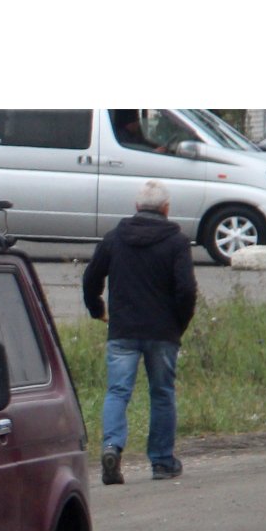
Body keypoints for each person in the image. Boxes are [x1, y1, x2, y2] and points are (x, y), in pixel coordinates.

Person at [82, 178, 198, 484]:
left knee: (118, 392)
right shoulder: (177, 243)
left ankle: (111, 447)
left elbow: (91, 279)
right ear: (166, 208)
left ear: (136, 207)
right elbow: (186, 290)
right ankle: (161, 462)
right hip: (163, 333)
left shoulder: (114, 239)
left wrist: (97, 310)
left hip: (122, 331)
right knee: (162, 393)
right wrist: (179, 324)